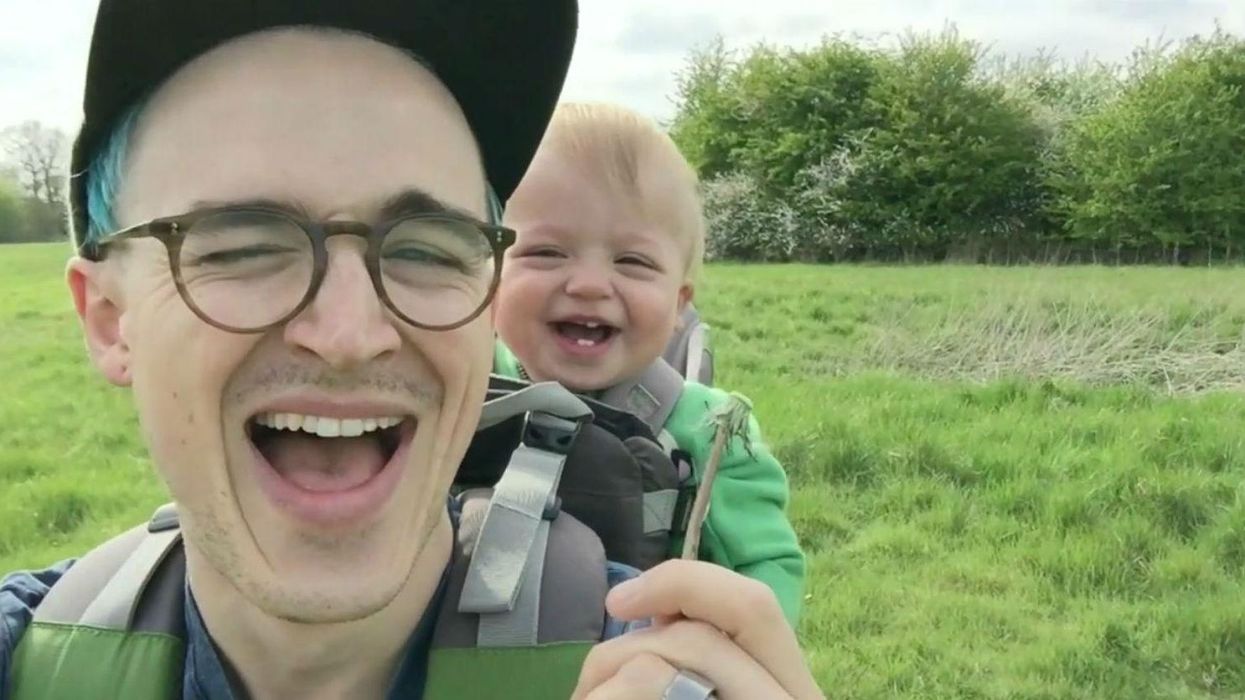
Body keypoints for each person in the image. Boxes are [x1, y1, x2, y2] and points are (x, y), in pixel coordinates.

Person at [0, 1, 824, 699]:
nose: (351, 335)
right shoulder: (23, 658)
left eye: (426, 248)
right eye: (243, 245)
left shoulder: (646, 670)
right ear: (111, 319)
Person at [492, 103, 806, 626]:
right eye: (546, 252)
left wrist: (720, 659)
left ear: (678, 303)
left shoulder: (711, 433)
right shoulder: (464, 396)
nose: (589, 284)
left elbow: (765, 570)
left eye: (632, 261)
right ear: (491, 276)